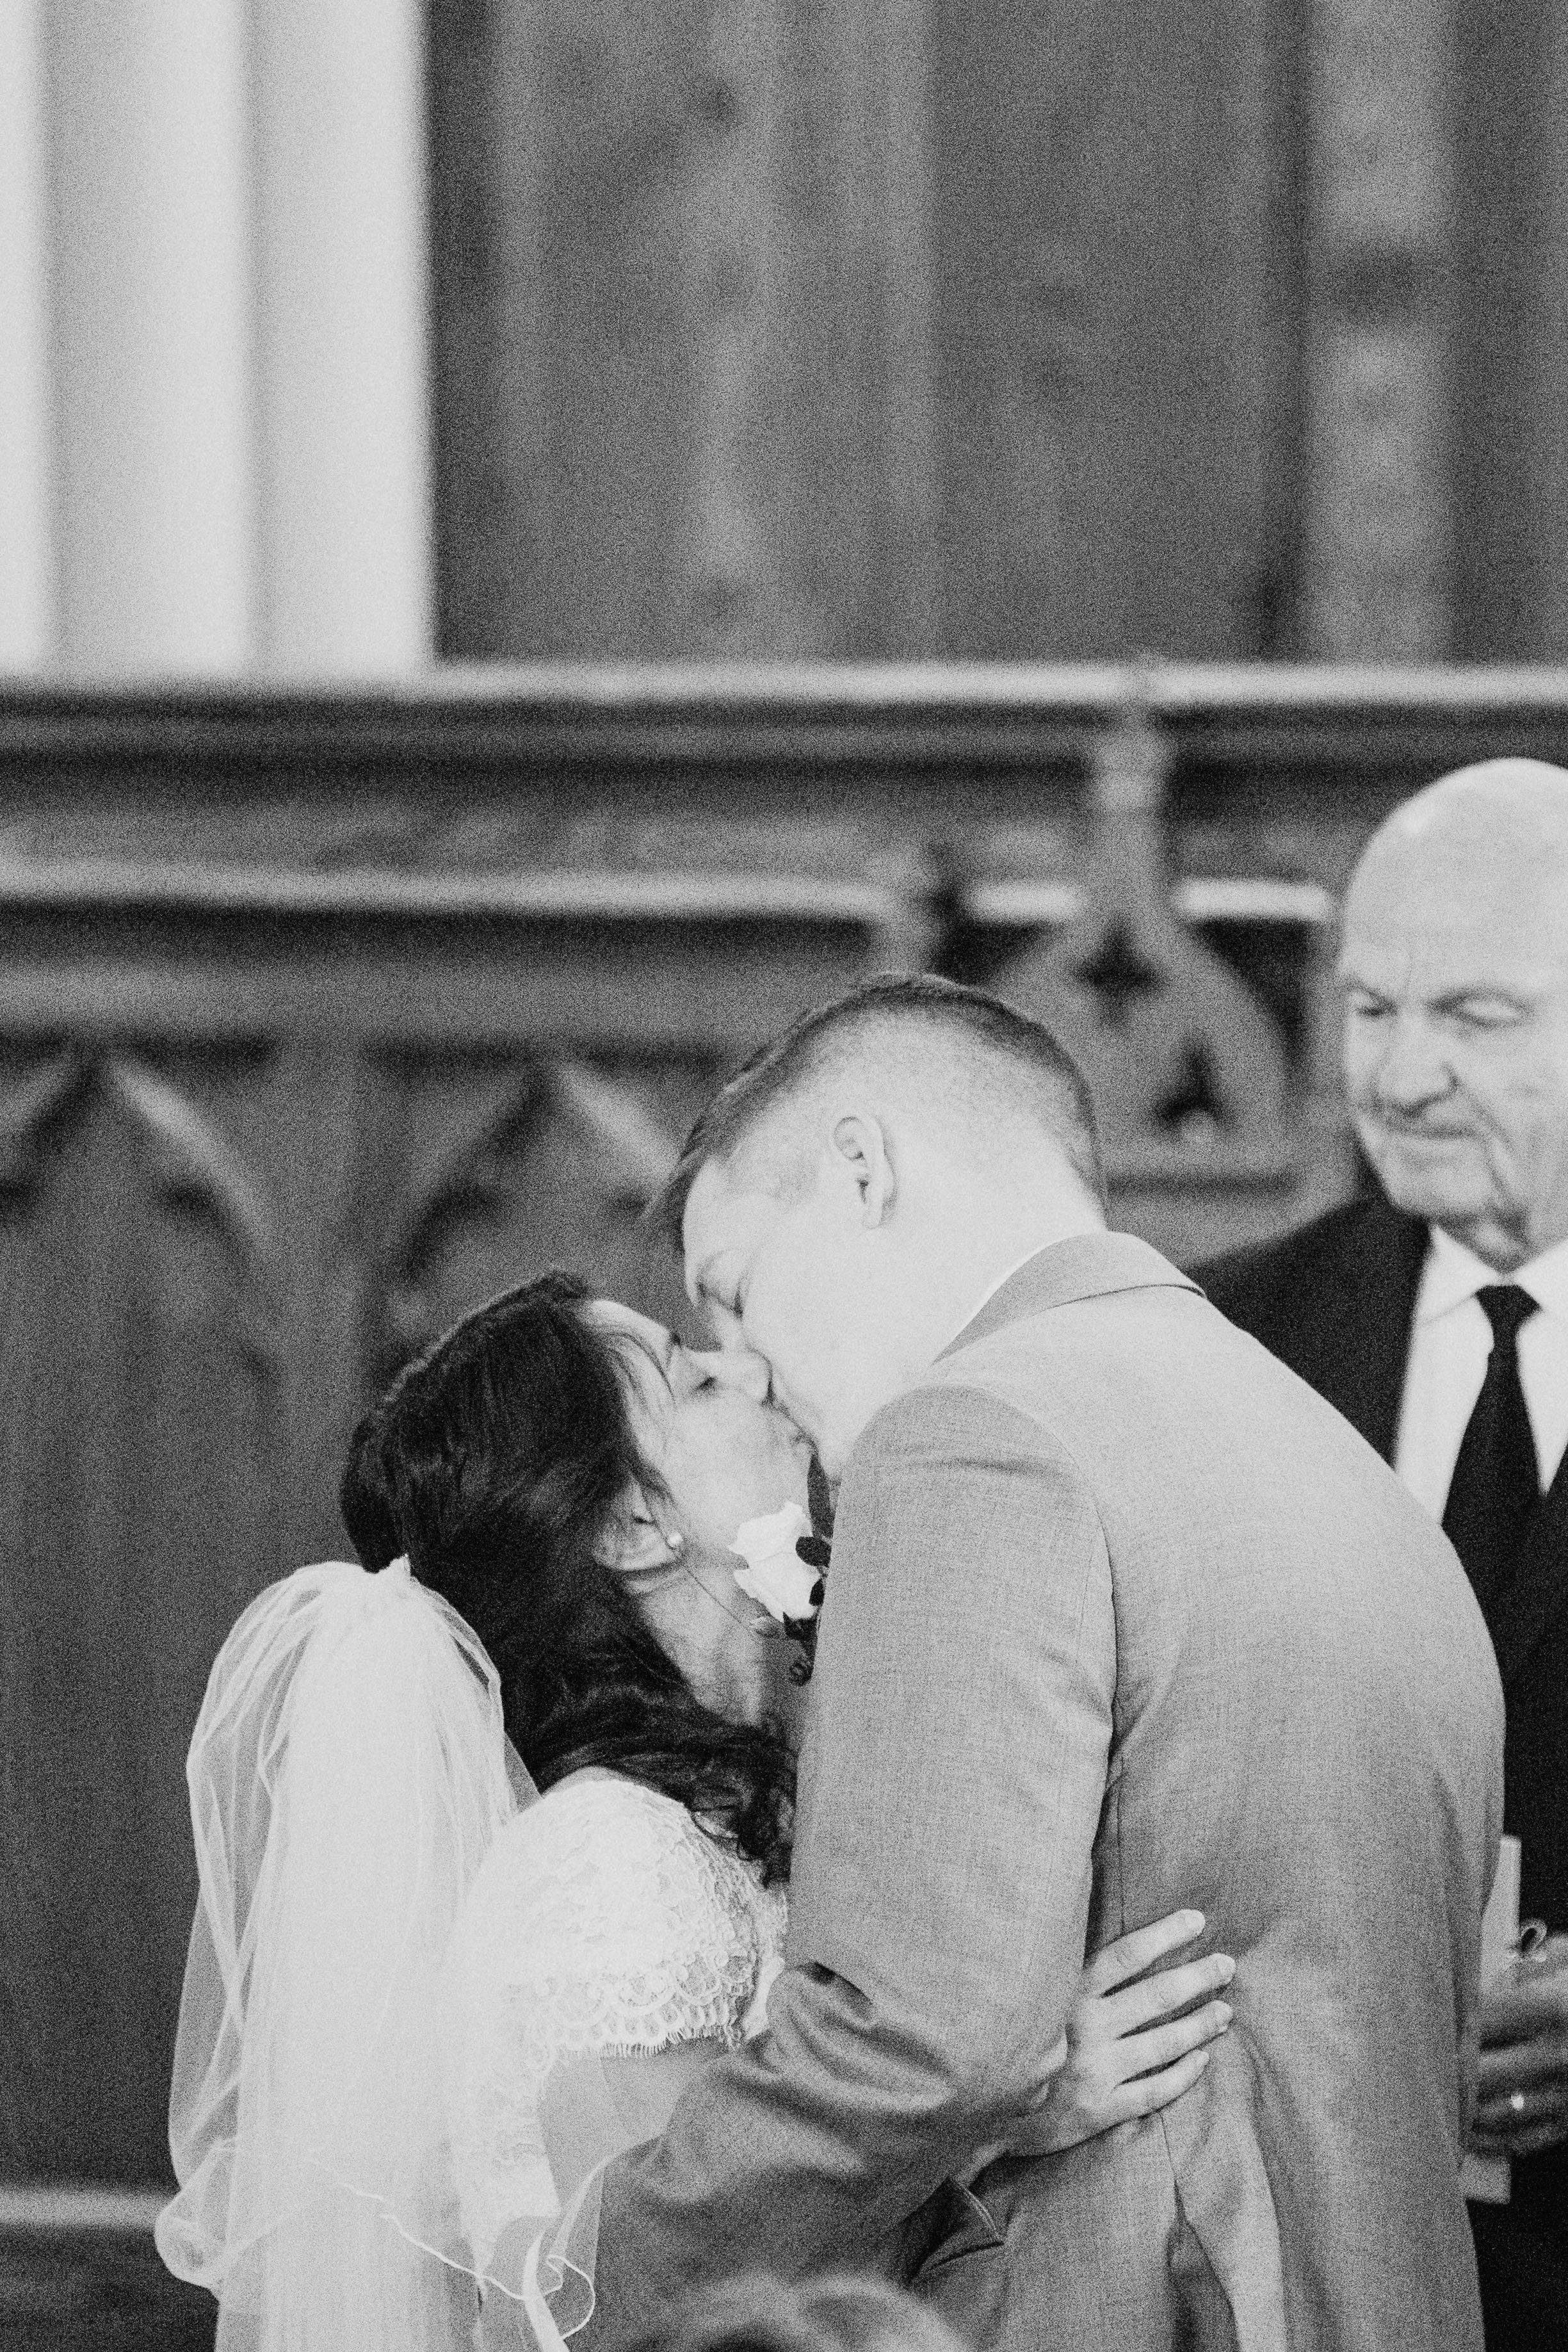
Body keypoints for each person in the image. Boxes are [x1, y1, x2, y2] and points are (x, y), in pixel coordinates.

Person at [581, 973, 1503, 2352]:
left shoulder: (974, 1436)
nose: (749, 1369)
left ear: (861, 1169)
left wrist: (589, 2272)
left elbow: (919, 2041)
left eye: (735, 1291)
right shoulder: (1333, 1456)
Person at [155, 1270, 1233, 2352]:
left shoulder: (727, 1800)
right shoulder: (607, 1866)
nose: (750, 1367)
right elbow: (682, 2304)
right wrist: (997, 2112)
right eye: (695, 1377)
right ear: (633, 1523)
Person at [1200, 758, 1568, 2352]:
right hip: (1300, 2259)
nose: (1401, 1075)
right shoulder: (1219, 1342)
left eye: (1475, 1016)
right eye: (1369, 1009)